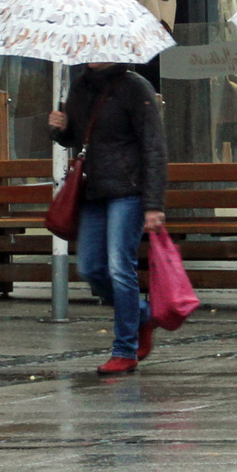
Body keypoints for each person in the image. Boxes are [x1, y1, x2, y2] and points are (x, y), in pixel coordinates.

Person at [48, 63, 167, 376]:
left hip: (128, 190)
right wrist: (59, 129)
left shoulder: (134, 87)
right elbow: (76, 137)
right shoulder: (80, 86)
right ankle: (142, 314)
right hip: (92, 190)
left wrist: (153, 203)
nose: (91, 54)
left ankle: (124, 349)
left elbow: (154, 146)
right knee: (90, 267)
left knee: (119, 267)